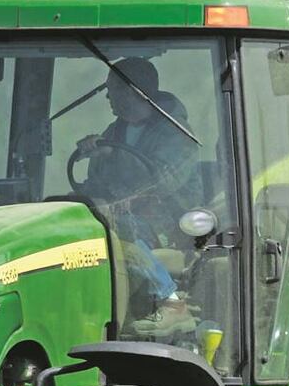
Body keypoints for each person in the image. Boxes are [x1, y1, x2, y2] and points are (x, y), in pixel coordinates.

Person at [75, 58, 200, 337]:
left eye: (113, 89)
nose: (108, 96)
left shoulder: (177, 134)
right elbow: (101, 183)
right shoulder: (115, 131)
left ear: (135, 92)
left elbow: (163, 182)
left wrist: (112, 154)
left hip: (171, 224)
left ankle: (172, 302)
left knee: (116, 232)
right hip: (123, 215)